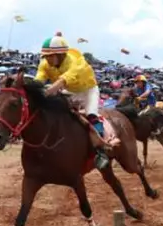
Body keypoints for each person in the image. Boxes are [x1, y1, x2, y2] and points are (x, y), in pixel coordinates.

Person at [35, 32, 110, 169]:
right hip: (69, 91)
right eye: (45, 56)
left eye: (50, 56)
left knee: (91, 115)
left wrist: (46, 92)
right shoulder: (45, 64)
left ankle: (101, 151)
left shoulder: (77, 61)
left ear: (60, 55)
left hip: (88, 91)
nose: (47, 59)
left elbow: (62, 81)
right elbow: (38, 79)